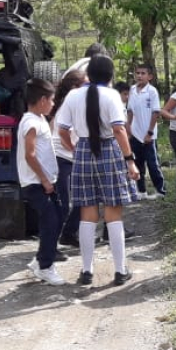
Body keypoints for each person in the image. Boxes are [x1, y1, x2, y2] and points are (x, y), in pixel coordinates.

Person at [66, 56, 140, 287]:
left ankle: (86, 271)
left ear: (89, 74)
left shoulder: (73, 95)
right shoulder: (112, 95)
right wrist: (130, 159)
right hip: (109, 150)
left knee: (87, 214)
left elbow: (62, 129)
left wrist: (76, 149)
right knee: (113, 213)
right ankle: (120, 271)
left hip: (83, 150)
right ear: (110, 76)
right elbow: (118, 129)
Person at [17, 79, 66, 286]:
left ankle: (40, 261)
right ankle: (46, 266)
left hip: (46, 180)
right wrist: (44, 179)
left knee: (58, 216)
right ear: (43, 99)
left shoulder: (40, 119)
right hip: (35, 183)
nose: (53, 104)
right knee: (50, 221)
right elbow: (30, 155)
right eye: (52, 100)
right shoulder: (30, 123)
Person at [53, 67, 85, 246]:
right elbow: (63, 132)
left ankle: (68, 233)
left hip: (71, 157)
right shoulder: (69, 104)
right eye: (84, 85)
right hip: (62, 157)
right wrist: (74, 149)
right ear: (74, 87)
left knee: (82, 199)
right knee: (63, 204)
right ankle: (50, 245)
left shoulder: (71, 103)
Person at [126, 63, 166, 200]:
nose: (139, 76)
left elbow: (156, 112)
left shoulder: (152, 91)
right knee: (138, 163)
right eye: (137, 73)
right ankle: (141, 191)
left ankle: (161, 190)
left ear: (150, 76)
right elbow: (130, 111)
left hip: (148, 134)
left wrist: (149, 132)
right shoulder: (131, 90)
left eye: (143, 73)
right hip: (135, 134)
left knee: (152, 163)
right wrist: (128, 129)